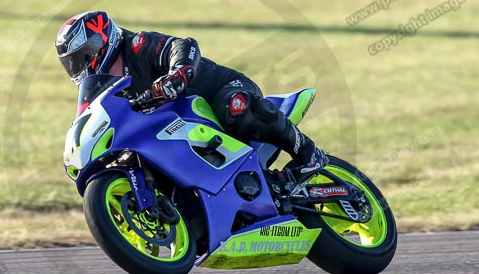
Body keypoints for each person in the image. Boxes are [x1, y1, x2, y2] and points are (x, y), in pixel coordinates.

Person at [55, 10, 328, 180]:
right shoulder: (106, 91)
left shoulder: (137, 46)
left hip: (220, 92)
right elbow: (91, 118)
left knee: (234, 107)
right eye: (72, 63)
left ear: (98, 44)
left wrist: (178, 74)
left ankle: (307, 153)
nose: (78, 68)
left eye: (81, 58)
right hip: (180, 130)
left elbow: (182, 46)